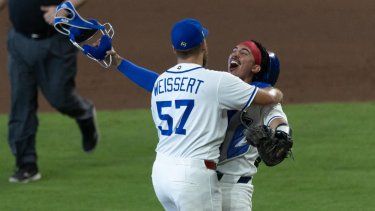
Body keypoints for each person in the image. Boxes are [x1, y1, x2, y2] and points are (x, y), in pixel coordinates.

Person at [88, 18, 282, 210]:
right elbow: (268, 98)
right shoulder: (217, 81)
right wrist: (273, 91)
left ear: (174, 49)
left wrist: (117, 61)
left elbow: (150, 80)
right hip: (194, 176)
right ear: (203, 45)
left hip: (162, 174)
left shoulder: (162, 82)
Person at [0, 0, 99, 183]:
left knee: (60, 97)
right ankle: (26, 164)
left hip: (56, 43)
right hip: (19, 41)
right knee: (21, 103)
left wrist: (63, 8)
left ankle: (83, 112)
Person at [217, 41, 292, 211]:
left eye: (244, 52)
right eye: (234, 50)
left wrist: (279, 135)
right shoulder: (218, 88)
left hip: (235, 191)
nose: (235, 54)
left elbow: (279, 122)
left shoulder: (264, 101)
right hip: (203, 184)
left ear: (256, 68)